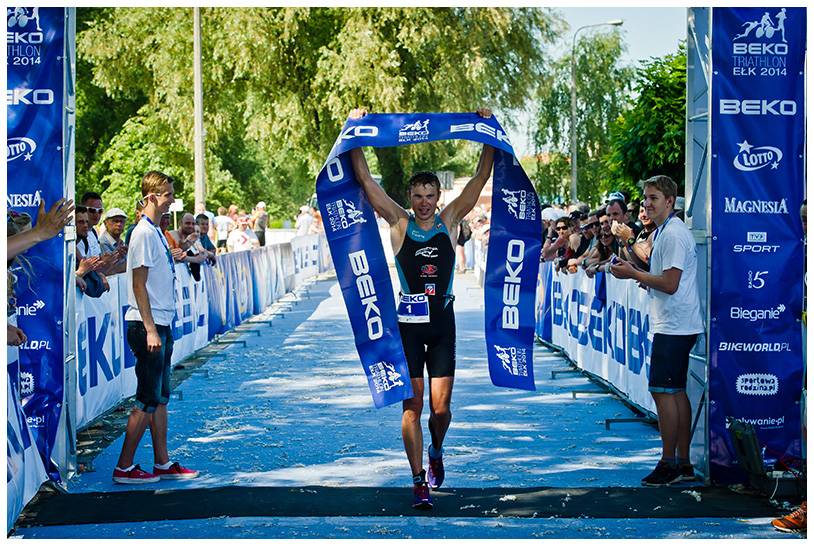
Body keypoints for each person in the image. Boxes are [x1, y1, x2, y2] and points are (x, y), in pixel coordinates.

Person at [348, 106, 495, 509]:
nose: (425, 202)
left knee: (441, 409)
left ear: (439, 196)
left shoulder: (449, 220)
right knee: (411, 405)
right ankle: (417, 480)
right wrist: (357, 128)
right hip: (408, 326)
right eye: (418, 196)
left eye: (431, 196)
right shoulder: (399, 223)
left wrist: (486, 126)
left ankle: (436, 450)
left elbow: (482, 177)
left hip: (442, 323)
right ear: (410, 198)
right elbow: (364, 179)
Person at [610, 175, 704, 486]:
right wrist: (637, 273)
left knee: (664, 392)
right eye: (646, 198)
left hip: (675, 324)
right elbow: (663, 279)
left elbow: (670, 283)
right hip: (675, 321)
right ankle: (682, 462)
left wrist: (633, 274)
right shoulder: (666, 232)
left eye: (653, 198)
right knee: (674, 391)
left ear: (670, 202)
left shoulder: (674, 234)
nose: (647, 204)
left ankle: (669, 462)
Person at [113, 170, 197, 484]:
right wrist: (149, 328)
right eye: (167, 195)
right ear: (151, 197)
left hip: (160, 322)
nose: (172, 199)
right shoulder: (144, 233)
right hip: (147, 325)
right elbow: (138, 284)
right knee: (146, 399)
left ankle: (162, 462)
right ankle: (124, 466)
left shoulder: (154, 231)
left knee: (160, 397)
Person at [99, 208, 129, 275]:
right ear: (105, 223)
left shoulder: (121, 243)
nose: (119, 224)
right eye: (115, 221)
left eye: (122, 221)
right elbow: (109, 270)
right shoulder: (102, 243)